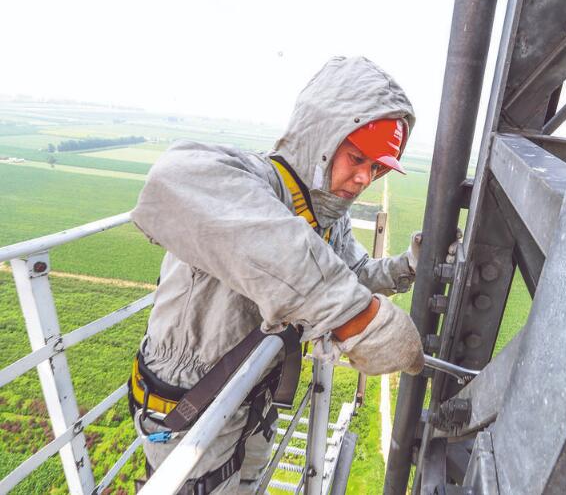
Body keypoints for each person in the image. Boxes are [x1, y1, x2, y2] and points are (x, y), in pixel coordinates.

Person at [128, 56, 425, 494]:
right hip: (191, 400)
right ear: (321, 139)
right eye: (357, 158)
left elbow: (355, 274)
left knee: (248, 484)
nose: (364, 177)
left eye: (377, 168)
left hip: (254, 391)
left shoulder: (328, 214)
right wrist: (350, 313)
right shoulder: (255, 183)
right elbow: (172, 178)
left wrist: (407, 266)